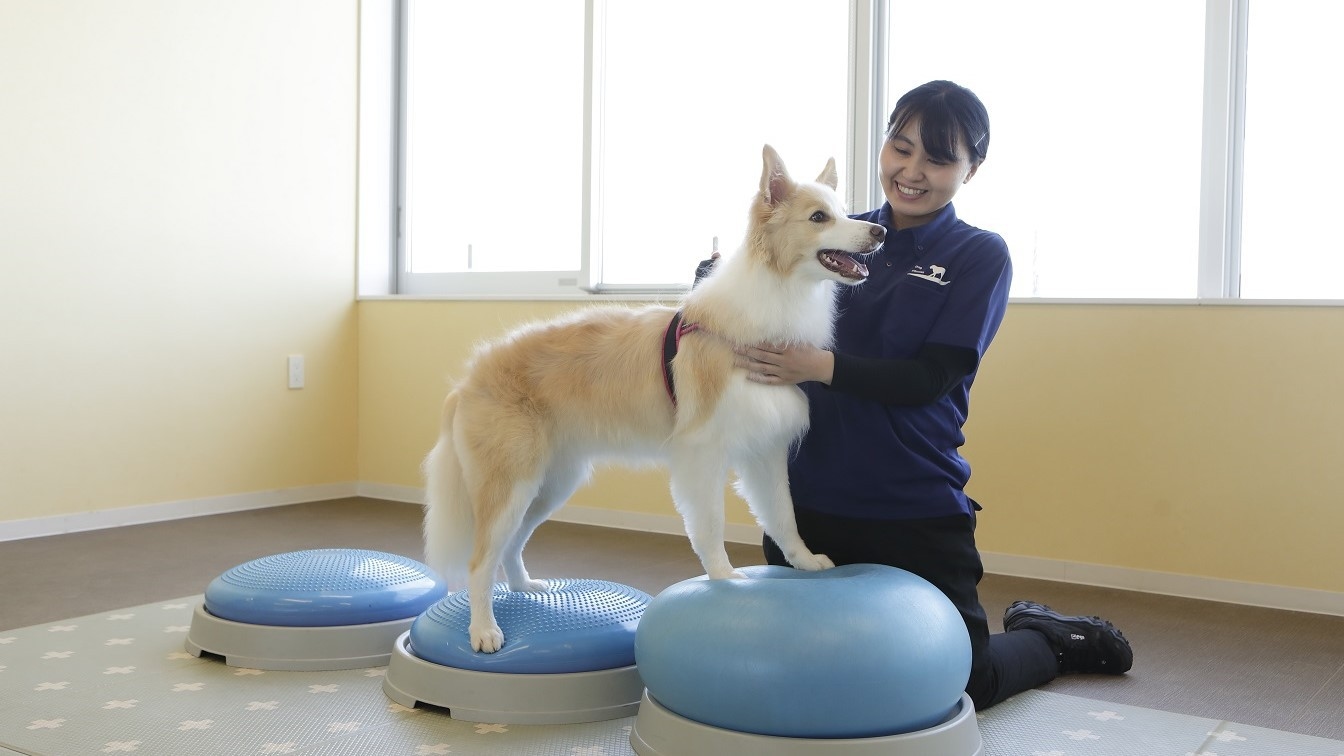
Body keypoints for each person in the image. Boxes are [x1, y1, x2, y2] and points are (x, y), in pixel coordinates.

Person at [703, 80, 1132, 711]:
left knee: (963, 681)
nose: (911, 171)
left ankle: (1053, 638)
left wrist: (818, 365)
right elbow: (753, 289)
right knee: (812, 673)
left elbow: (930, 380)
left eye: (937, 159)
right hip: (806, 500)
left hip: (911, 501)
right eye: (900, 148)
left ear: (970, 170)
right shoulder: (832, 233)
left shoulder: (978, 255)